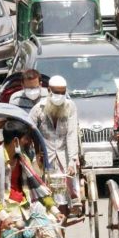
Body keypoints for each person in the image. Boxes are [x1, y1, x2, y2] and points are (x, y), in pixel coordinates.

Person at [29, 76, 82, 217]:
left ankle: (63, 230)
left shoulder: (70, 106)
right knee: (48, 196)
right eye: (56, 92)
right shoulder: (37, 109)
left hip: (64, 155)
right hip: (45, 158)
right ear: (48, 90)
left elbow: (71, 134)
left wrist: (72, 160)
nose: (59, 96)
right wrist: (36, 155)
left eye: (62, 93)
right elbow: (30, 132)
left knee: (63, 198)